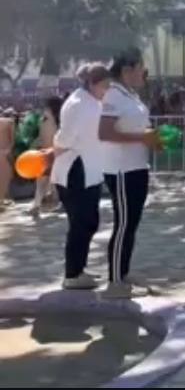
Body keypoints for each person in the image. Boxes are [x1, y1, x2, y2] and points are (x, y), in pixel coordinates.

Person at [99, 49, 162, 298]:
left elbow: (138, 127)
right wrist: (141, 137)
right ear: (127, 70)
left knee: (131, 224)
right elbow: (105, 132)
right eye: (142, 68)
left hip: (137, 166)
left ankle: (123, 273)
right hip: (121, 169)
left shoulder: (131, 94)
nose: (144, 73)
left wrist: (153, 139)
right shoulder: (113, 95)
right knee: (123, 224)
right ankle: (114, 282)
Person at [51, 63, 111, 290]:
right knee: (80, 223)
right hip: (76, 169)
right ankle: (72, 274)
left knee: (89, 221)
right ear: (93, 83)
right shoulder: (78, 104)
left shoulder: (90, 102)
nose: (107, 90)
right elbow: (65, 138)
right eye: (104, 85)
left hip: (90, 170)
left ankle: (80, 267)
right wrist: (57, 146)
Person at [30, 98, 62, 218]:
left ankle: (39, 204)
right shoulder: (46, 120)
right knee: (43, 180)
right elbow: (41, 136)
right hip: (48, 153)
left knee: (49, 181)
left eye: (46, 107)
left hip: (52, 153)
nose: (44, 109)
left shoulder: (54, 120)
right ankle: (37, 205)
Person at [0, 109, 13, 212]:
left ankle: (2, 199)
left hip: (3, 152)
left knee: (5, 176)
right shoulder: (8, 122)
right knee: (5, 176)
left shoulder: (7, 122)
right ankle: (1, 200)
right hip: (3, 153)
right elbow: (12, 139)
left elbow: (11, 139)